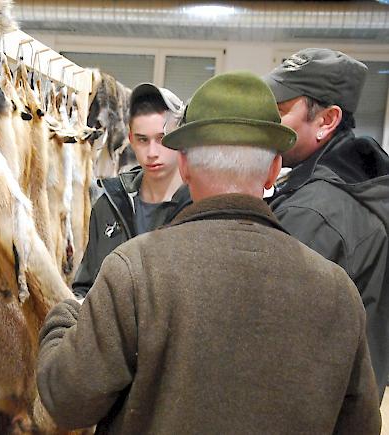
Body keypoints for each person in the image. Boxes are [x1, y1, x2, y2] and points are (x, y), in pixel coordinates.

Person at [37, 71, 381, 433]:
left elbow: (65, 399)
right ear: (273, 170)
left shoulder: (135, 272)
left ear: (183, 165)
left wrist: (63, 315)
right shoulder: (337, 292)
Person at [264, 48, 389, 398]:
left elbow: (269, 332)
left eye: (281, 111)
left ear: (326, 120)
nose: (267, 122)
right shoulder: (362, 184)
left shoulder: (313, 215)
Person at [71, 83, 191, 299]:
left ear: (180, 137)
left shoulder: (199, 208)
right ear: (131, 139)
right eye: (143, 140)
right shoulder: (108, 206)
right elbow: (85, 287)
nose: (152, 153)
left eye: (162, 139)